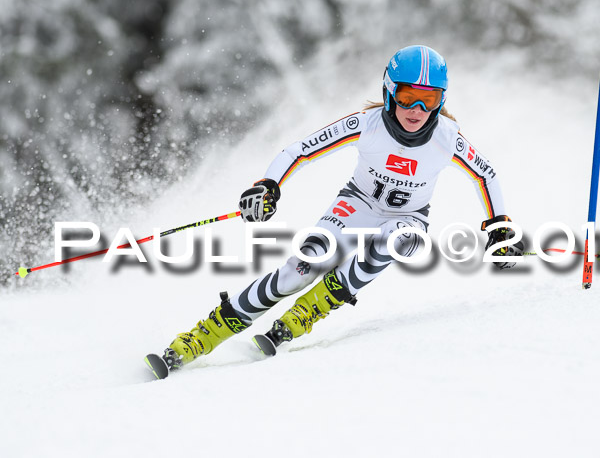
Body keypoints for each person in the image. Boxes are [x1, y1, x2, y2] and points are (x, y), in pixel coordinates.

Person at [159, 44, 523, 369]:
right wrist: (269, 185)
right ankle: (203, 335)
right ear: (389, 91)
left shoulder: (447, 138)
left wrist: (498, 225)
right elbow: (298, 151)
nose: (416, 109)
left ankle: (312, 309)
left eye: (428, 100)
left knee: (398, 239)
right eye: (408, 95)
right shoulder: (366, 125)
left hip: (408, 218)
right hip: (355, 205)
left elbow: (486, 175)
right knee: (298, 272)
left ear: (441, 101)